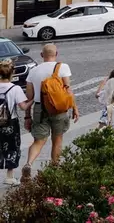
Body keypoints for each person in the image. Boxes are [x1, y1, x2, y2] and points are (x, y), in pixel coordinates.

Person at [22, 43, 78, 180]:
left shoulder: (33, 71)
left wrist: (27, 117)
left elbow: (29, 96)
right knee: (57, 140)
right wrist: (75, 108)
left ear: (42, 55)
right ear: (56, 54)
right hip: (58, 109)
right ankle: (55, 169)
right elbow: (68, 91)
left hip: (40, 108)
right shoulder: (63, 67)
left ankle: (29, 163)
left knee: (38, 141)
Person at [0, 60, 29, 185]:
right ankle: (9, 176)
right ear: (12, 73)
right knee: (12, 147)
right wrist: (32, 100)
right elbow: (23, 106)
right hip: (10, 122)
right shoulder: (15, 88)